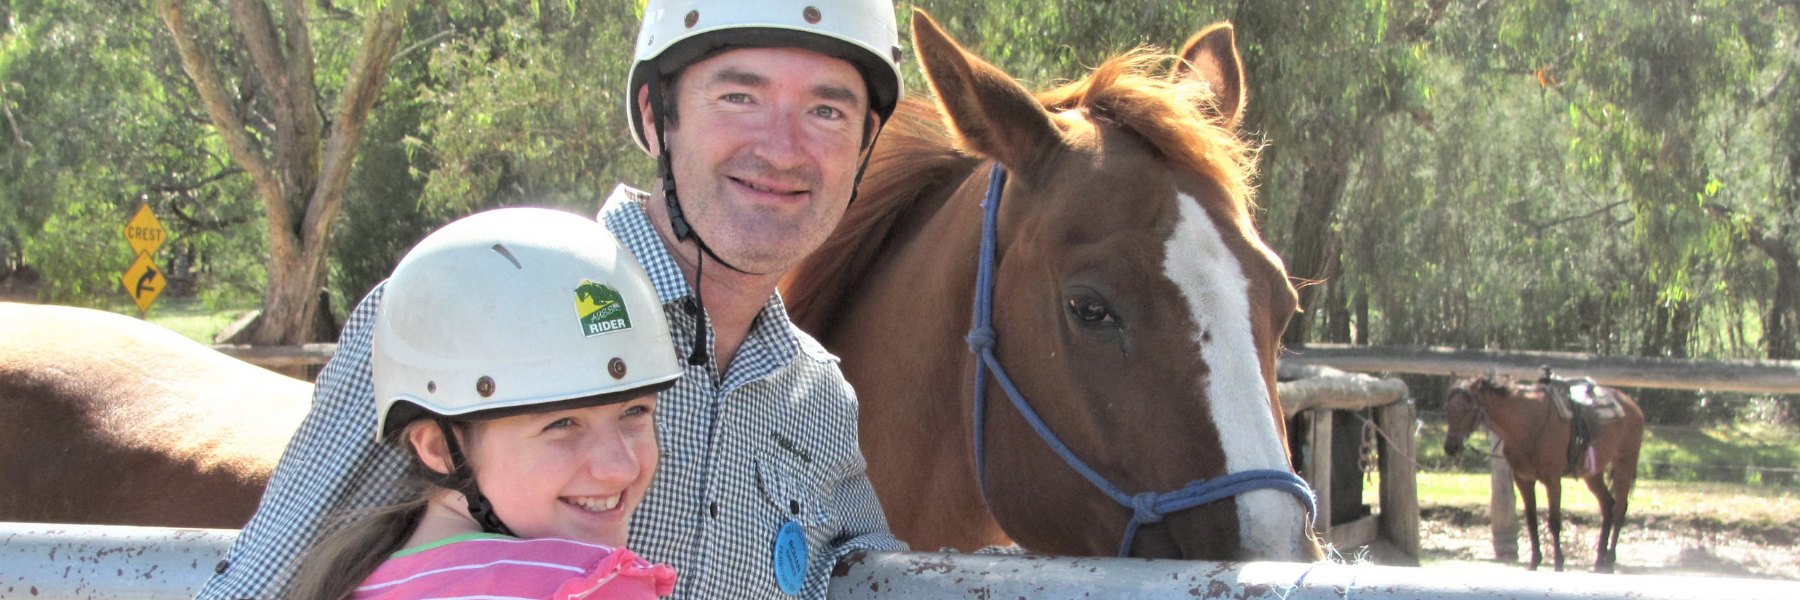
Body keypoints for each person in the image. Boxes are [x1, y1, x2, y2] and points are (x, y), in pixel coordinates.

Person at [196, 1, 907, 599]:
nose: (782, 150)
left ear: (865, 144)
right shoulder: (470, 307)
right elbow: (261, 586)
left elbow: (883, 573)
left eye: (826, 110)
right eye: (739, 97)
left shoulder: (818, 399)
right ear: (655, 115)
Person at [286, 208, 678, 600]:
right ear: (440, 448)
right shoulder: (594, 586)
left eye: (635, 411)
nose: (621, 467)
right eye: (561, 424)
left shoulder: (359, 584)